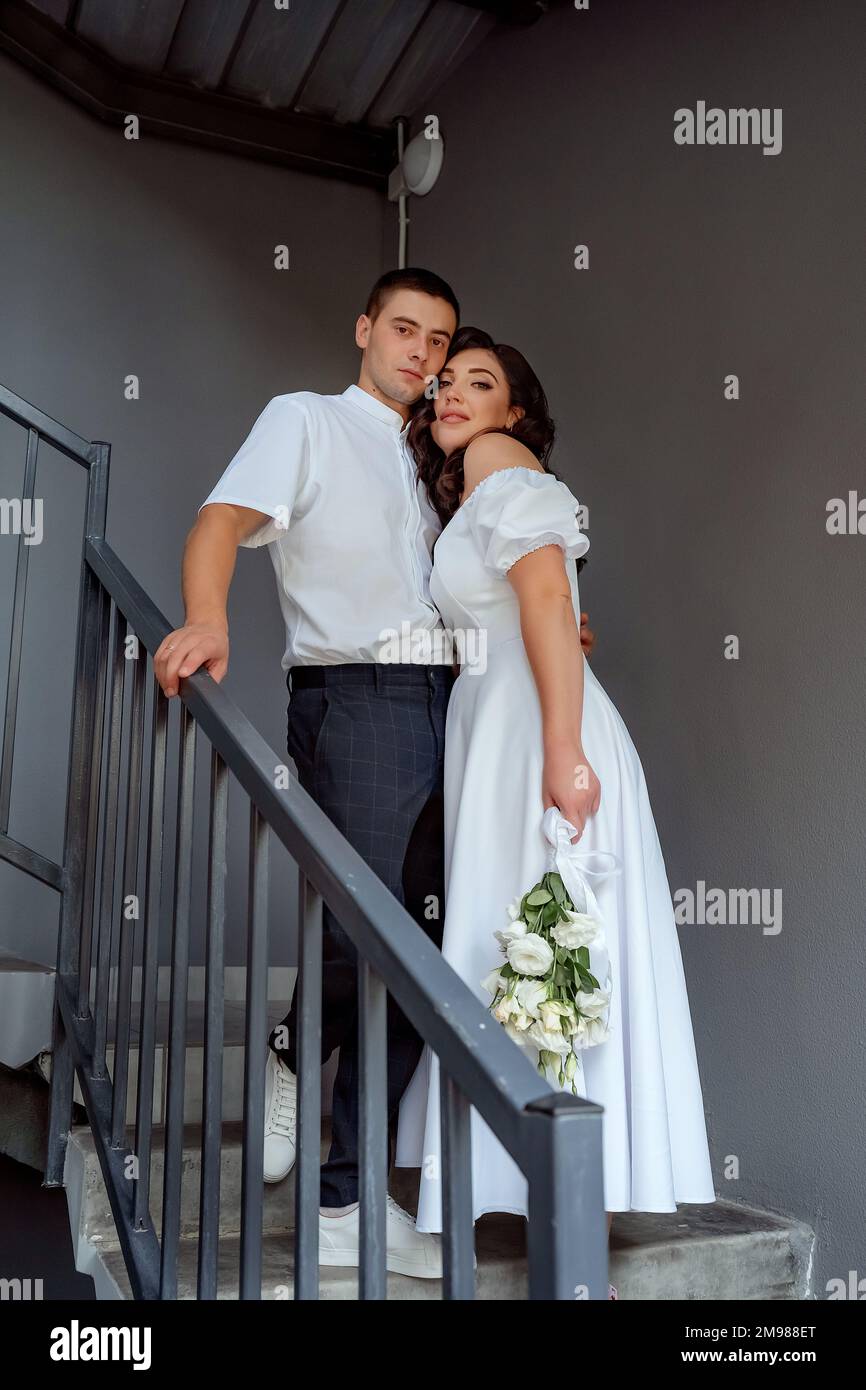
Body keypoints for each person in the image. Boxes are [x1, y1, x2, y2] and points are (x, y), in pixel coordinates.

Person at [153, 269, 596, 1281]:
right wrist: (209, 615)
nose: (421, 354)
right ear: (364, 329)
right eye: (403, 330)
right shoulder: (305, 419)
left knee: (428, 941)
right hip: (358, 695)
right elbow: (218, 520)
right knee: (379, 924)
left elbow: (495, 569)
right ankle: (293, 1063)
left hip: (459, 698)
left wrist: (553, 619)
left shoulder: (441, 457)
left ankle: (347, 1189)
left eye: (439, 342)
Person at [393, 328, 717, 1290]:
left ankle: (533, 1179)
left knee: (542, 933)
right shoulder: (474, 492)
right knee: (519, 939)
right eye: (445, 383)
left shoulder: (500, 463)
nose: (452, 394)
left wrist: (565, 749)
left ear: (516, 412)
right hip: (506, 726)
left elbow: (539, 597)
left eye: (478, 383)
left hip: (538, 730)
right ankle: (544, 1177)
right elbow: (538, 600)